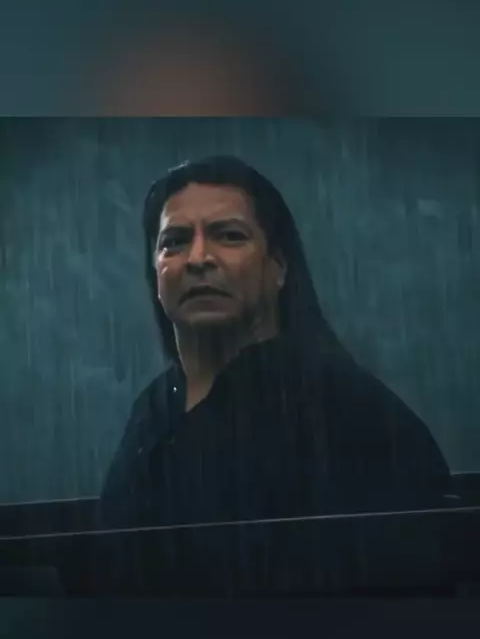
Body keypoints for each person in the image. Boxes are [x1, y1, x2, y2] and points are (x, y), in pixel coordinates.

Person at [97, 155, 453, 531]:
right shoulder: (153, 412)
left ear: (278, 267)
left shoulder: (343, 408)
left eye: (229, 235)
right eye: (175, 242)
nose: (198, 258)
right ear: (155, 273)